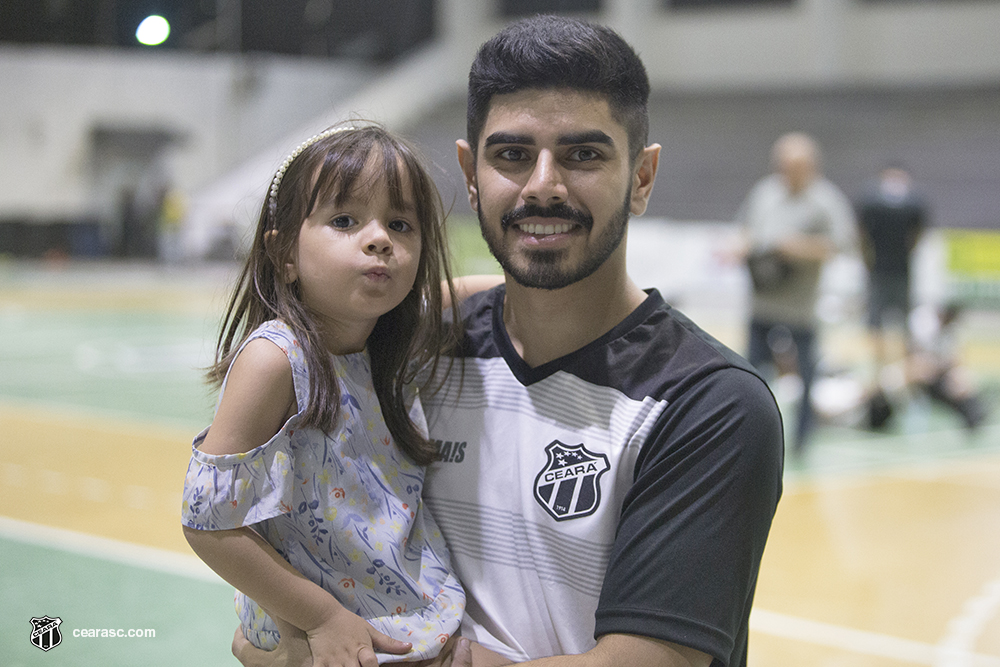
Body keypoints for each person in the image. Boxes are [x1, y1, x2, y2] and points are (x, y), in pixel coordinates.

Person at [236, 15, 784, 667]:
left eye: (584, 154)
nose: (543, 185)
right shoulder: (409, 354)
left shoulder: (706, 404)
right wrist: (287, 634)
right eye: (512, 155)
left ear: (641, 176)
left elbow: (650, 661)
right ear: (471, 173)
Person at [181, 122, 468, 666]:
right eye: (344, 220)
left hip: (409, 624)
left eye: (401, 224)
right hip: (326, 640)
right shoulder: (275, 360)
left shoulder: (381, 348)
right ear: (284, 253)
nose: (380, 237)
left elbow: (455, 294)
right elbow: (207, 522)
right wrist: (322, 618)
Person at [736, 132, 855, 455]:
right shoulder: (765, 192)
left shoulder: (826, 200)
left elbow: (842, 244)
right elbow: (747, 229)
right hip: (762, 302)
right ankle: (751, 435)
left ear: (811, 166)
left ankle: (802, 440)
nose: (786, 171)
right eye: (782, 165)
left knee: (805, 377)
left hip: (800, 308)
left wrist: (797, 247)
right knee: (751, 377)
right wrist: (741, 247)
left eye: (794, 166)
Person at [854, 165, 927, 426]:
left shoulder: (882, 201)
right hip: (887, 272)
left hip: (888, 272)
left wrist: (868, 259)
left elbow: (862, 234)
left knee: (894, 331)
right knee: (883, 331)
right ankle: (883, 383)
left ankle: (897, 382)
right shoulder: (900, 202)